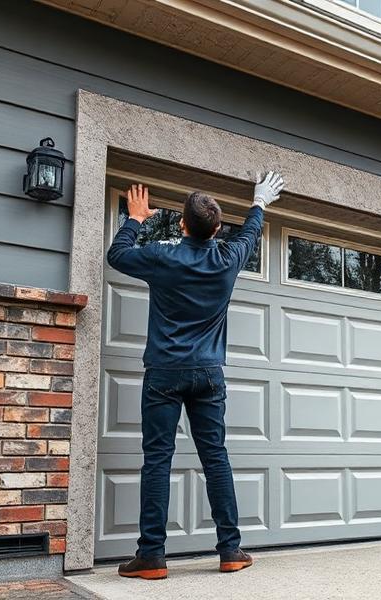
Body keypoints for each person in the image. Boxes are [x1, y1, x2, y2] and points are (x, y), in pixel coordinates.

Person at [107, 172, 285, 579]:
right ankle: (231, 551)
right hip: (208, 374)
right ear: (217, 229)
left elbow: (117, 255)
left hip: (164, 374)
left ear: (183, 225)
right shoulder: (227, 259)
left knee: (157, 460)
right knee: (215, 457)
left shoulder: (163, 257)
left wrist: (135, 218)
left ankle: (151, 556)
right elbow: (251, 232)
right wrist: (259, 201)